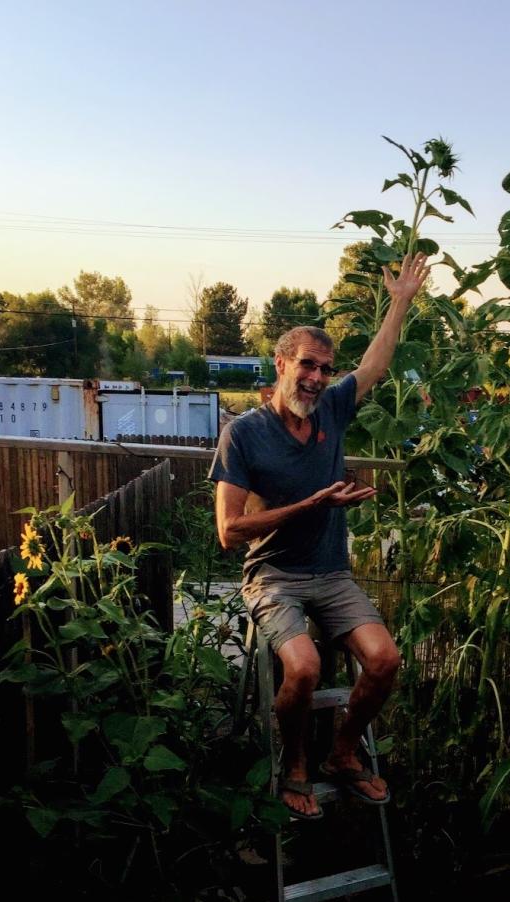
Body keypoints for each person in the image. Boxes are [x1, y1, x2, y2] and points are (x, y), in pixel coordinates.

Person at [209, 253, 431, 819]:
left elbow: (376, 366)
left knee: (385, 661)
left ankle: (342, 751)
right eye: (307, 365)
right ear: (281, 363)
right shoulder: (243, 436)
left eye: (325, 369)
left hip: (331, 572)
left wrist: (401, 299)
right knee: (303, 667)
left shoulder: (332, 408)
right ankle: (295, 759)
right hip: (273, 576)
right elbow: (228, 533)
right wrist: (310, 504)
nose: (316, 378)